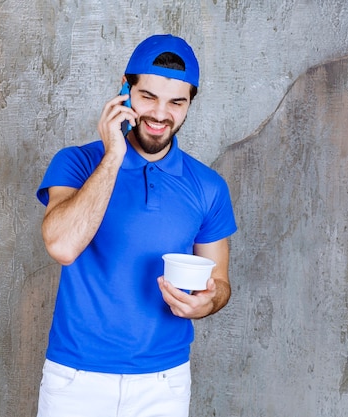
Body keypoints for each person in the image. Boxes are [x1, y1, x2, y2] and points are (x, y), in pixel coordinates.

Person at [35, 34, 237, 417]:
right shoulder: (76, 163)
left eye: (176, 102)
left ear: (190, 103)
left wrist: (206, 303)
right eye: (148, 97)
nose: (161, 114)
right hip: (75, 378)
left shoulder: (209, 187)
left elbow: (221, 284)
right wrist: (114, 155)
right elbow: (62, 245)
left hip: (164, 382)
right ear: (124, 92)